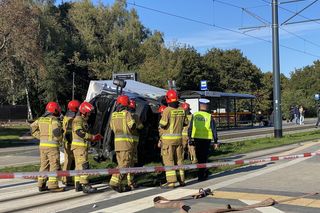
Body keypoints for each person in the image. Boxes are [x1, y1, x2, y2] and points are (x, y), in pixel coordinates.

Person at [31, 102, 64, 192]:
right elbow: (57, 133)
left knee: (44, 165)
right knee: (54, 165)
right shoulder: (54, 121)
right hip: (52, 147)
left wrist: (40, 136)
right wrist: (61, 140)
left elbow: (32, 128)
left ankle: (41, 184)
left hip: (42, 146)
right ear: (54, 111)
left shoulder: (41, 119)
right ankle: (53, 185)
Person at [159, 90, 188, 188]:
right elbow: (186, 123)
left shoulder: (167, 110)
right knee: (179, 160)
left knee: (169, 161)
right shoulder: (182, 110)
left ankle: (171, 182)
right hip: (179, 140)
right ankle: (182, 180)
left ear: (168, 99)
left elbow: (162, 124)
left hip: (168, 141)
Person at [72, 101, 103, 193]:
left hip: (78, 147)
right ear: (84, 112)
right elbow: (79, 132)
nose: (89, 115)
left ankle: (78, 184)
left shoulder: (81, 120)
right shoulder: (78, 120)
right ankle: (85, 185)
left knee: (78, 166)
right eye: (88, 113)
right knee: (84, 166)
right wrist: (92, 137)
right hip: (80, 147)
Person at [109, 95, 136, 192]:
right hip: (126, 143)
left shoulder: (113, 115)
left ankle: (120, 183)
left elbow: (112, 127)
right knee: (125, 164)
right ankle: (114, 182)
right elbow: (132, 126)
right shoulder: (127, 113)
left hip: (117, 144)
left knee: (121, 163)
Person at [188, 98, 218, 181]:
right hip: (206, 139)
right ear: (207, 106)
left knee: (199, 157)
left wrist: (189, 138)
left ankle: (201, 174)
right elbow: (214, 129)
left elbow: (190, 128)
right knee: (204, 157)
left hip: (196, 139)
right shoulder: (209, 116)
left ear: (200, 106)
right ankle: (203, 173)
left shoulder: (195, 115)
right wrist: (215, 141)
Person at [61, 100, 80, 186]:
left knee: (68, 160)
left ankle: (66, 178)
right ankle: (66, 179)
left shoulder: (67, 116)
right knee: (70, 160)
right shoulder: (72, 118)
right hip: (70, 141)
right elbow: (69, 132)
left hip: (67, 141)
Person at [128, 99, 143, 188]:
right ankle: (131, 181)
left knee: (129, 162)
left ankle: (130, 181)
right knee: (131, 163)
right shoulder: (135, 116)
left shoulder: (126, 115)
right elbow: (141, 127)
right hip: (133, 143)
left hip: (128, 143)